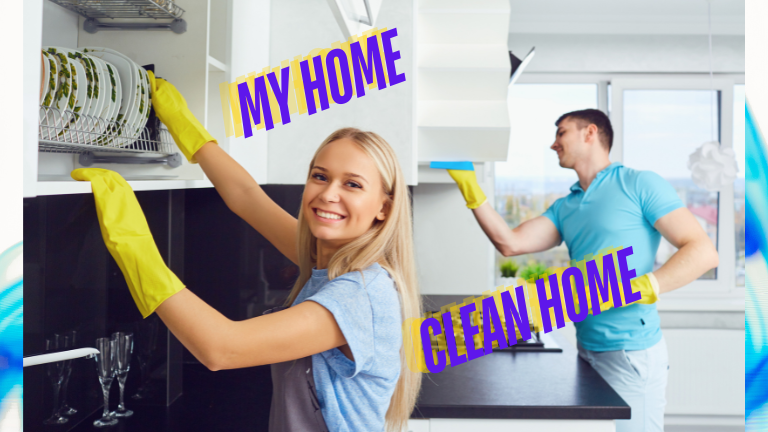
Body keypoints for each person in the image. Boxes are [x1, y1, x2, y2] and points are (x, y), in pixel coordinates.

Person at [71, 72, 422, 432]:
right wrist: (184, 127)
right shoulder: (331, 260)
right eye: (320, 176)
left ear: (384, 206)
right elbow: (247, 198)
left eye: (352, 184)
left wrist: (131, 242)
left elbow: (221, 348)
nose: (329, 194)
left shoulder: (358, 295)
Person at [445, 108, 719, 432]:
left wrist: (645, 285)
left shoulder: (639, 184)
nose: (553, 144)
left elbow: (703, 251)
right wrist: (471, 190)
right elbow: (510, 243)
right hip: (587, 350)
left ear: (590, 133)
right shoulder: (567, 206)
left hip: (630, 352)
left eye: (561, 133)